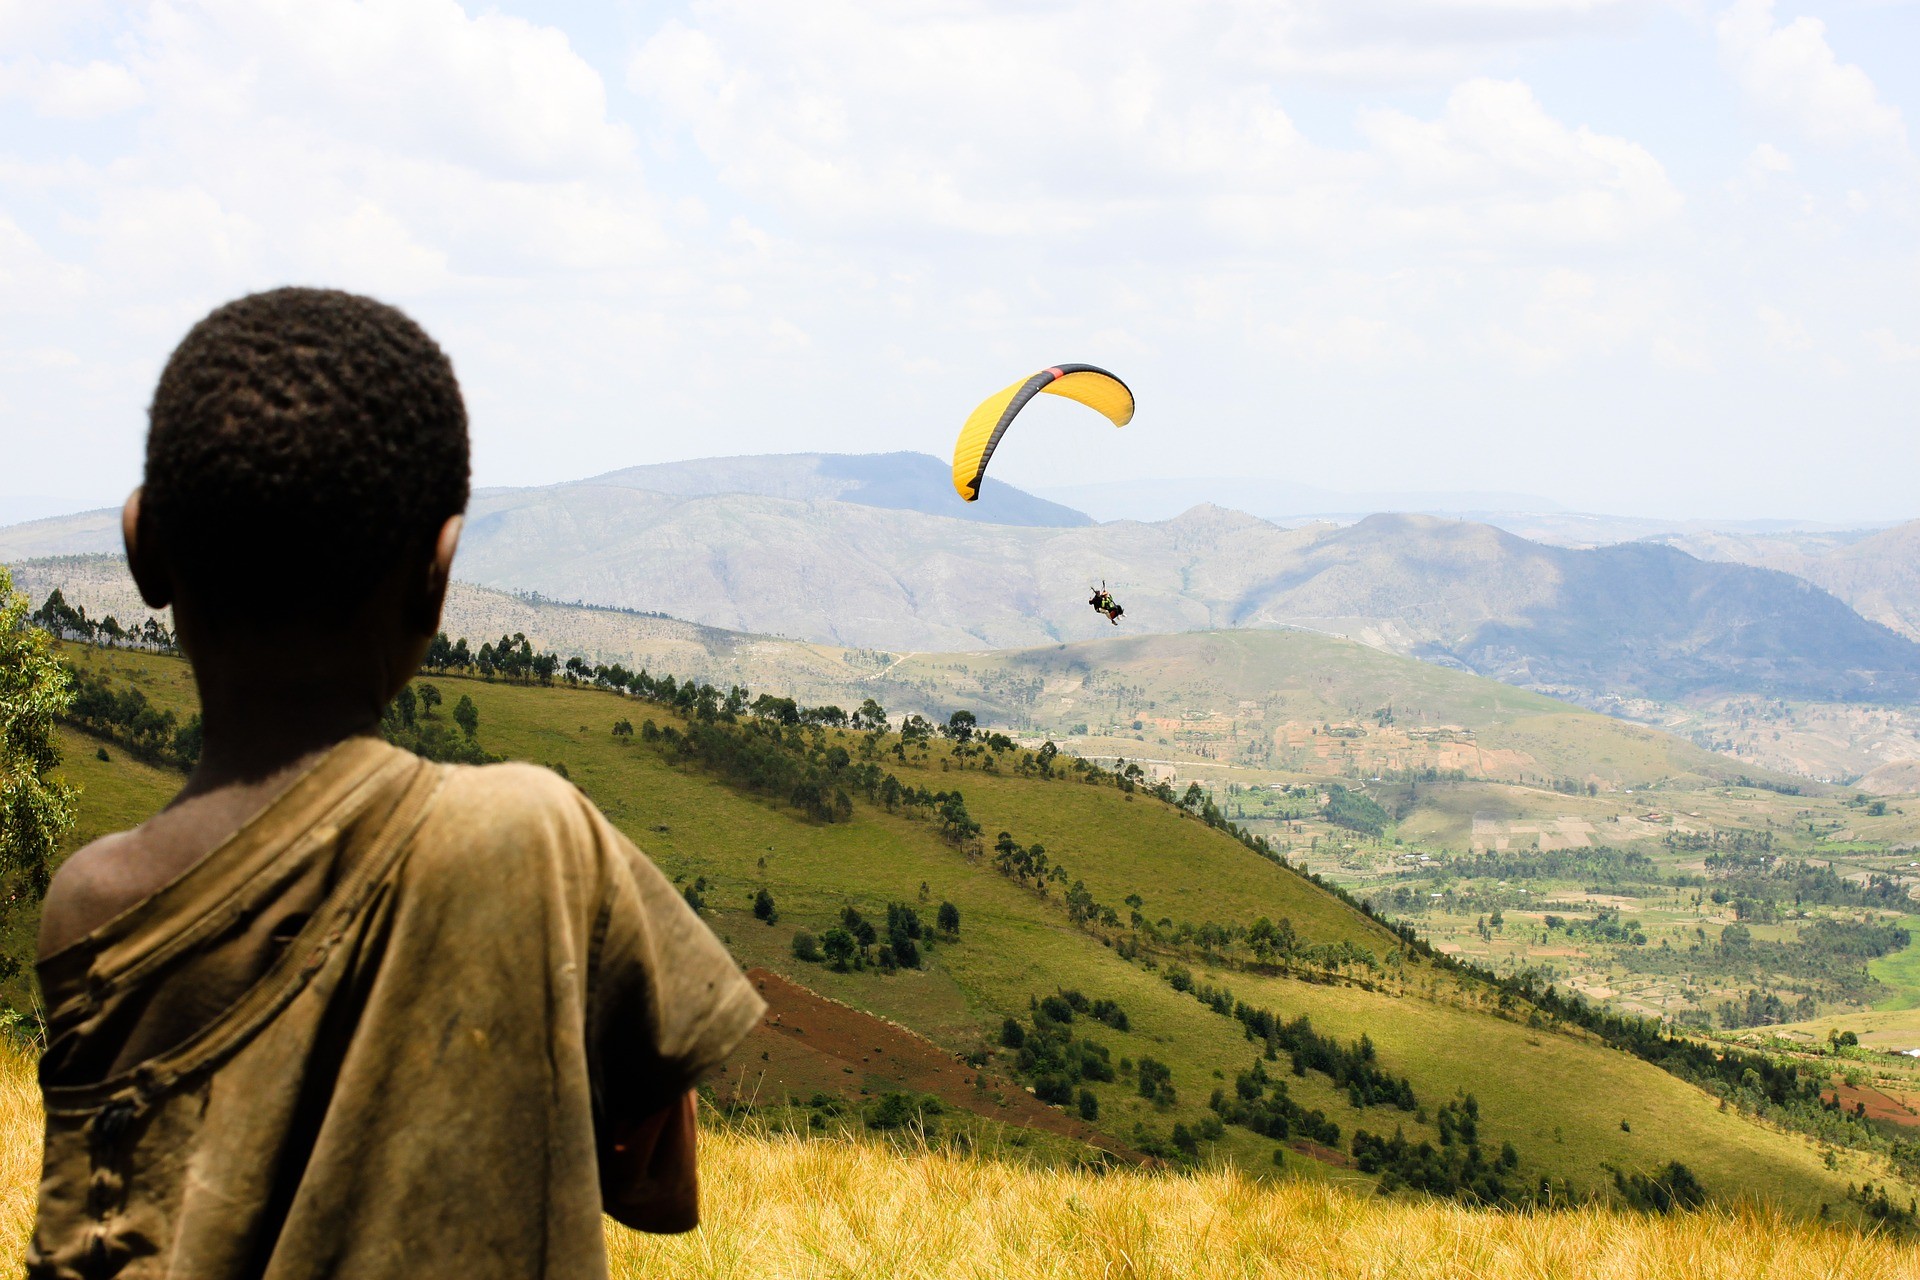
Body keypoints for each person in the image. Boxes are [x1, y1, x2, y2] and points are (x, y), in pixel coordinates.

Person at [28, 288, 764, 1279]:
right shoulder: (532, 833)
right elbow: (660, 1189)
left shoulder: (91, 904)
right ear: (438, 573)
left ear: (143, 544)